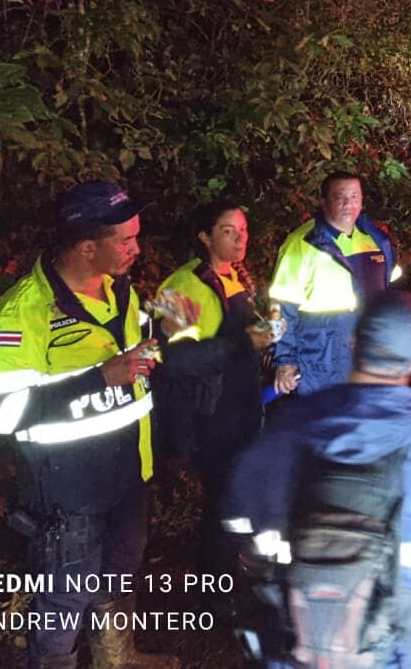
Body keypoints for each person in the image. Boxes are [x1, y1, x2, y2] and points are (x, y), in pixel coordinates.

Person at [222, 292, 411, 669]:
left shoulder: (288, 430)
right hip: (407, 654)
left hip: (302, 652)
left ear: (354, 342)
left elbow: (238, 516)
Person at [0, 181, 179, 669]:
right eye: (126, 241)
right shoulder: (22, 311)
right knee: (65, 595)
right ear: (88, 247)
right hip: (67, 488)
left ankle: (117, 658)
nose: (138, 249)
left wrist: (164, 340)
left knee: (120, 572)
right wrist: (98, 377)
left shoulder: (121, 292)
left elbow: (132, 367)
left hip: (129, 471)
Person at [150, 200, 272, 573]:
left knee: (239, 493)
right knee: (222, 498)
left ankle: (234, 568)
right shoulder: (182, 287)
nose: (239, 239)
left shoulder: (239, 277)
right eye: (227, 231)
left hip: (243, 407)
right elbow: (174, 360)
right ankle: (215, 585)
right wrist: (243, 344)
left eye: (243, 230)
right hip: (210, 417)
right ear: (204, 237)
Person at [268, 172, 397, 397]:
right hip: (320, 358)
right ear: (324, 201)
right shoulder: (303, 243)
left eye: (354, 196)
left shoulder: (376, 241)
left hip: (367, 355)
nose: (349, 203)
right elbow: (280, 307)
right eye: (340, 197)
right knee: (322, 424)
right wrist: (285, 361)